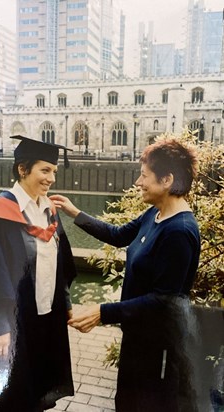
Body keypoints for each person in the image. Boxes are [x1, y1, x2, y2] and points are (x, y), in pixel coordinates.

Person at [51, 138, 201, 412]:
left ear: (167, 180)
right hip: (138, 338)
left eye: (144, 176)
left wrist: (103, 312)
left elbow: (164, 301)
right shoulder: (155, 214)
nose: (138, 183)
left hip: (159, 350)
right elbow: (119, 236)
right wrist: (75, 213)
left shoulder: (179, 231)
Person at [0, 136, 76, 412]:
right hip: (12, 322)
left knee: (35, 380)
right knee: (8, 389)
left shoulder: (48, 211)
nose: (51, 178)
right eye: (44, 170)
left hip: (44, 316)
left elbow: (61, 262)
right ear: (23, 170)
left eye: (54, 172)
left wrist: (66, 302)